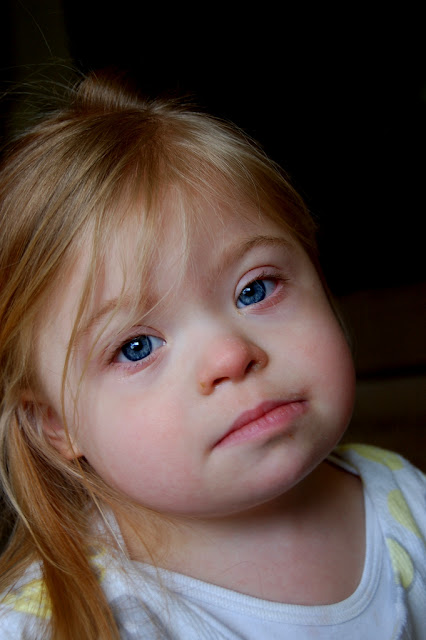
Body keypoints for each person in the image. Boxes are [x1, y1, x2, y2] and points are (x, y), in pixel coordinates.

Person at [0, 72, 424, 640]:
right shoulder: (60, 624)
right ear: (57, 424)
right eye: (136, 347)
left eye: (255, 289)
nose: (230, 354)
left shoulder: (401, 497)